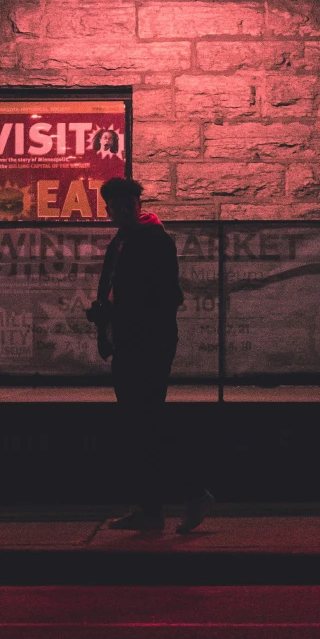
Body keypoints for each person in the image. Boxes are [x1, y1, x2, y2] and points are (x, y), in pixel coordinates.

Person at [89, 175, 211, 533]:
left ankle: (186, 495)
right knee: (143, 426)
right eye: (114, 207)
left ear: (137, 206)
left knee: (146, 424)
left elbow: (168, 297)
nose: (120, 212)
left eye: (126, 205)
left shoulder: (152, 241)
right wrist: (106, 318)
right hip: (134, 342)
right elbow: (116, 290)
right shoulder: (125, 241)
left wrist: (116, 316)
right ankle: (155, 507)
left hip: (146, 344)